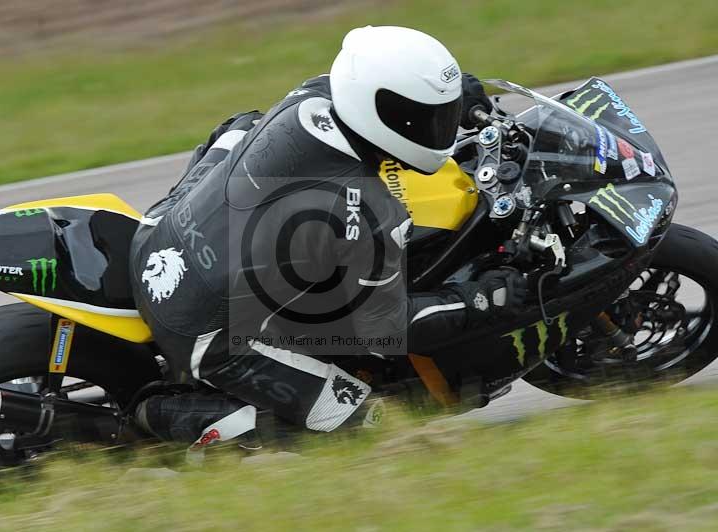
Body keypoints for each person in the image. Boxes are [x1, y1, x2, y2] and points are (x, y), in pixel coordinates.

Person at [130, 26, 527, 449]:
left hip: (159, 233)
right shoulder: (368, 209)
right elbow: (384, 328)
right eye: (430, 117)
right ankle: (155, 415)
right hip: (201, 334)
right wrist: (484, 299)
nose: (440, 128)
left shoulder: (315, 95)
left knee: (242, 125)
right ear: (383, 110)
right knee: (378, 430)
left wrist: (452, 99)